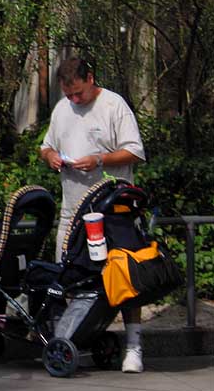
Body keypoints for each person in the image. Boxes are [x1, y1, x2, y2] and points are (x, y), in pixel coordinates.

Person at [40, 57, 146, 373]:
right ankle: (67, 338)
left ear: (91, 79)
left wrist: (99, 159)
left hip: (113, 210)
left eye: (79, 94)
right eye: (68, 94)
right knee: (67, 274)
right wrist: (51, 157)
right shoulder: (62, 109)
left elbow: (135, 151)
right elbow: (45, 146)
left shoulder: (114, 105)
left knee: (125, 277)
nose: (74, 100)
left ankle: (134, 346)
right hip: (72, 210)